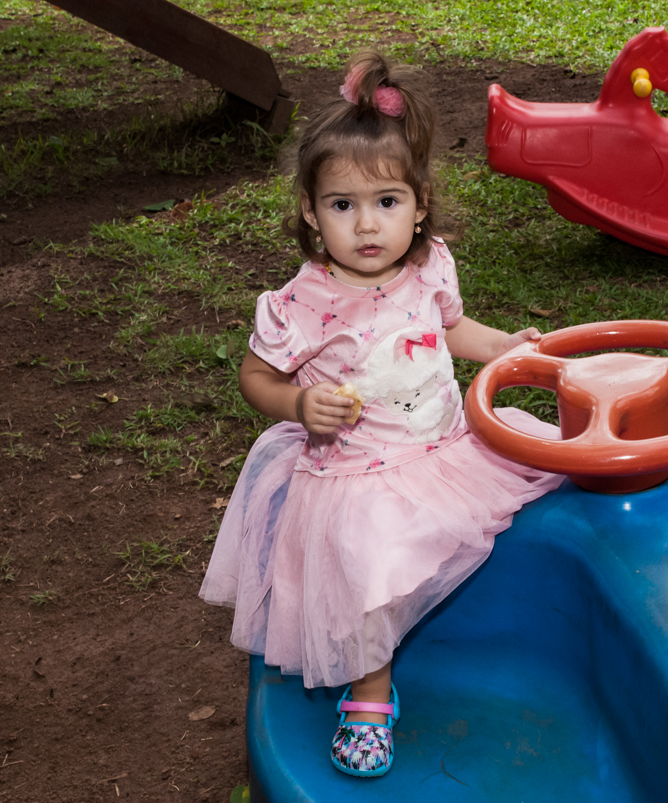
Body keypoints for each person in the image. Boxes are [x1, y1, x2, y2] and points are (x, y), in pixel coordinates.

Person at [199, 51, 564, 779]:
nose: (368, 225)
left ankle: (557, 618)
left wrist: (506, 345)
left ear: (420, 202)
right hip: (358, 473)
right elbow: (255, 375)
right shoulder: (304, 299)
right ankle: (369, 695)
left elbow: (451, 329)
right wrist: (299, 403)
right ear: (310, 210)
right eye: (343, 205)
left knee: (549, 452)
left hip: (446, 448)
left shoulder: (431, 267)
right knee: (371, 562)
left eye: (387, 202)